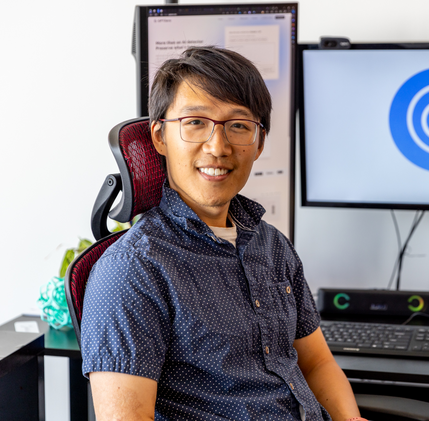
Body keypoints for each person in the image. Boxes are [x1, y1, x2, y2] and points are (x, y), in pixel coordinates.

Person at [81, 46, 366, 421]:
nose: (218, 147)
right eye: (195, 122)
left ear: (259, 143)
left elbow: (316, 363)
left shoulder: (272, 245)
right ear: (159, 137)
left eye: (238, 126)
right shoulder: (132, 271)